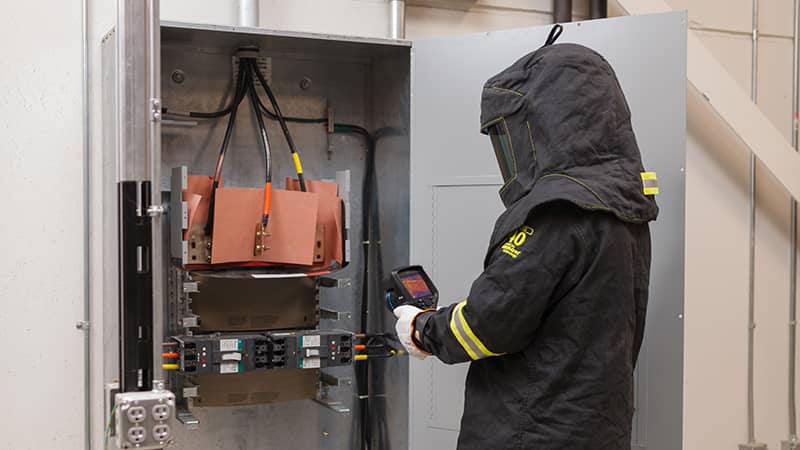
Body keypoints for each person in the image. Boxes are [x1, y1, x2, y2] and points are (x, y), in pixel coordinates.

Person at [393, 27, 659, 450]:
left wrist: (423, 328)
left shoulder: (556, 212)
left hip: (530, 433)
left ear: (546, 123)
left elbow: (488, 325)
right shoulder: (625, 208)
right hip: (597, 430)